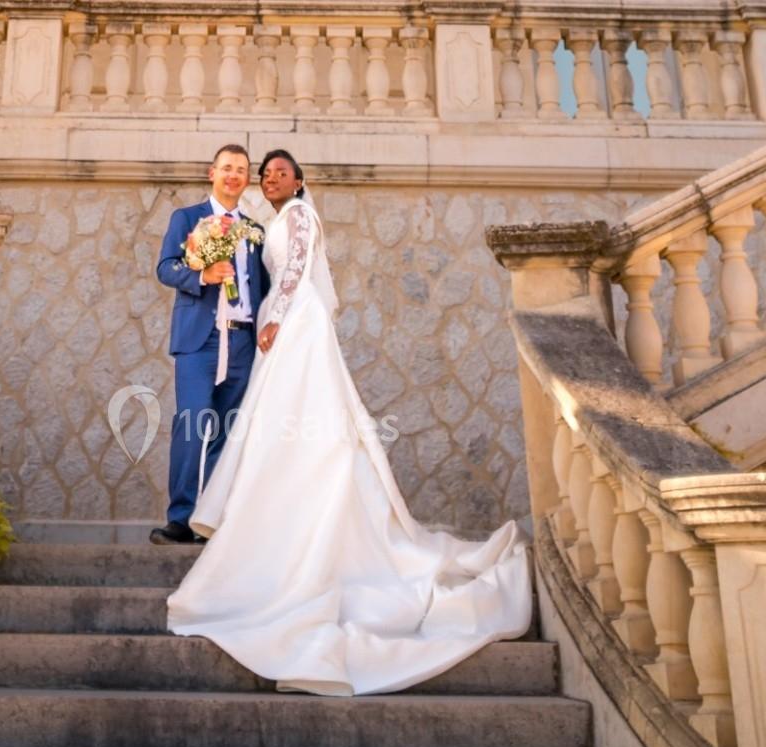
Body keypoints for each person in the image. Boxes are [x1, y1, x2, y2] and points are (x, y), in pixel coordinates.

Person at [166, 149, 533, 696]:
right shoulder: (241, 222)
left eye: (278, 174)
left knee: (291, 418)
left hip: (291, 324)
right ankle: (198, 514)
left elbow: (292, 272)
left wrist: (277, 318)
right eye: (262, 174)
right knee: (240, 424)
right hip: (252, 328)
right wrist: (218, 280)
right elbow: (186, 269)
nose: (268, 180)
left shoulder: (297, 216)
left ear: (299, 181)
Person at [151, 144, 268, 545]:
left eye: (241, 170)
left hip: (242, 342)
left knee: (227, 431)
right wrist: (202, 275)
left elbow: (262, 288)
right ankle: (181, 517)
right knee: (192, 426)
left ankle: (211, 520)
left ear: (247, 179)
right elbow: (166, 268)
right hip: (199, 340)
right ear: (211, 173)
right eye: (227, 168)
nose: (233, 175)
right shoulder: (187, 218)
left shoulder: (255, 230)